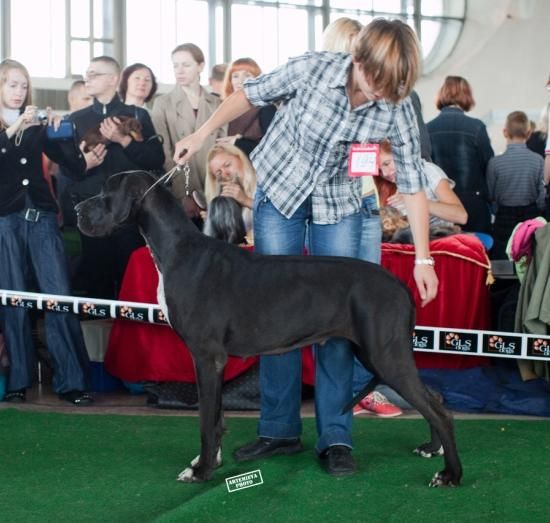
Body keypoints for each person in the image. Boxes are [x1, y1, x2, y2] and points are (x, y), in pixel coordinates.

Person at [173, 18, 438, 477]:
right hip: (279, 195)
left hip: (339, 204)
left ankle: (335, 437)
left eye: (392, 85)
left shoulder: (396, 104)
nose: (380, 92)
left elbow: (413, 183)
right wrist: (202, 134)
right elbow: (248, 95)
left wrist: (423, 256)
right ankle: (278, 431)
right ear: (358, 59)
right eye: (375, 79)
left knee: (336, 323)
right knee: (271, 314)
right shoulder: (313, 68)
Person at [321, 17, 401, 417]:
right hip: (331, 207)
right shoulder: (322, 88)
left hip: (367, 203)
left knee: (365, 306)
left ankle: (362, 388)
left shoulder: (381, 96)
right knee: (333, 308)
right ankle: (345, 396)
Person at [0, 59, 92, 404]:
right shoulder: (16, 125)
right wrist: (15, 127)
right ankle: (17, 381)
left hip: (41, 216)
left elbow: (76, 167)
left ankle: (72, 382)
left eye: (23, 86)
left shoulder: (38, 124)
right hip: (5, 219)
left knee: (59, 296)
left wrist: (62, 131)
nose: (19, 92)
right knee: (12, 299)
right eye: (12, 84)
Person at [65, 56, 165, 298]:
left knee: (131, 282)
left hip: (130, 213)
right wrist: (84, 164)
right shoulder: (76, 119)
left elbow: (156, 159)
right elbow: (66, 171)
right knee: (96, 283)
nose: (87, 78)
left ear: (113, 79)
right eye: (87, 73)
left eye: (94, 74)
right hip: (93, 213)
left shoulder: (137, 115)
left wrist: (124, 141)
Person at [151, 43, 225, 201]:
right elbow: (165, 152)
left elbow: (223, 147)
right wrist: (182, 192)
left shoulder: (217, 103)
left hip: (214, 185)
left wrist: (219, 187)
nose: (179, 70)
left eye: (186, 65)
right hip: (181, 186)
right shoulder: (162, 103)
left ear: (200, 66)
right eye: (175, 65)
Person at [427, 76, 494, 234]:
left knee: (446, 248)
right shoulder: (477, 127)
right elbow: (489, 165)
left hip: (443, 207)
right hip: (474, 204)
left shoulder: (427, 128)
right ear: (467, 95)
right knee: (479, 247)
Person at [487, 111, 545, 259]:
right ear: (529, 133)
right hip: (530, 216)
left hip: (504, 216)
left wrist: (497, 210)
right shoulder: (538, 160)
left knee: (503, 257)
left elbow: (490, 195)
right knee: (529, 256)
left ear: (505, 132)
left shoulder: (495, 163)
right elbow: (542, 194)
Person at [216, 58, 276, 157]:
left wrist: (237, 143)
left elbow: (273, 150)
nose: (240, 81)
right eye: (235, 76)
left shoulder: (267, 109)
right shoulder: (222, 108)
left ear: (257, 80)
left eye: (247, 75)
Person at [204, 143, 256, 238]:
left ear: (240, 158)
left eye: (227, 165)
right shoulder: (223, 198)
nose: (225, 173)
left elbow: (278, 212)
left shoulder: (263, 182)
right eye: (219, 172)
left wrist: (246, 200)